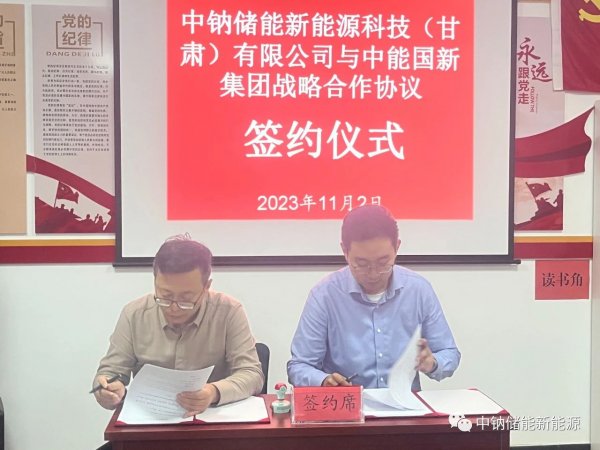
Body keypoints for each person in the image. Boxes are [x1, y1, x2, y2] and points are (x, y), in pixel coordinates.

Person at [287, 204, 460, 389]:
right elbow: (299, 366)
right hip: (348, 404)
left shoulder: (418, 290)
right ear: (345, 251)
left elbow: (449, 353)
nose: (373, 273)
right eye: (361, 264)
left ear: (397, 247)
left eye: (383, 262)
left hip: (404, 404)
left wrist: (432, 363)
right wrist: (323, 381)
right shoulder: (324, 295)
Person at [93, 235, 264, 416]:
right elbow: (110, 372)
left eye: (186, 299)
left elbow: (252, 374)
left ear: (206, 286)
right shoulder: (134, 314)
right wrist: (107, 389)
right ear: (155, 281)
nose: (174, 308)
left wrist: (213, 392)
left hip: (212, 421)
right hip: (151, 422)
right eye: (165, 296)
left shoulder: (229, 311)